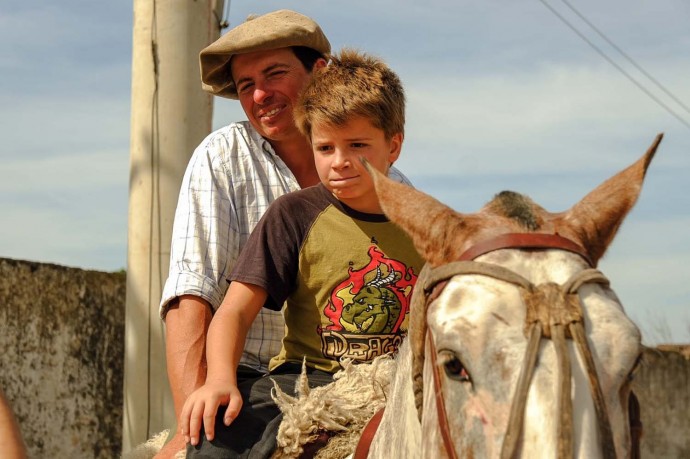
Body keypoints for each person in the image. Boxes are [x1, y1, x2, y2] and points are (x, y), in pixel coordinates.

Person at [157, 9, 411, 458]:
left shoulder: (404, 198)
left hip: (383, 375)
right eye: (244, 85)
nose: (260, 94)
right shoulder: (224, 160)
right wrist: (190, 424)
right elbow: (192, 293)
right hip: (268, 375)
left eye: (275, 72)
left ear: (320, 75)